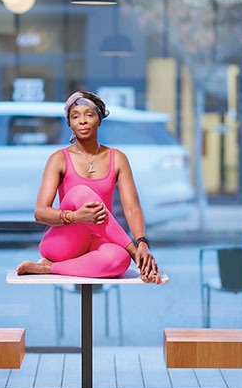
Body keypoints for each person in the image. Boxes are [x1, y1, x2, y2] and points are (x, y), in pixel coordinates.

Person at [16, 91, 161, 283]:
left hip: (99, 242)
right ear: (69, 123)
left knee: (119, 260)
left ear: (99, 120)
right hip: (64, 243)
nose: (82, 121)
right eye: (75, 116)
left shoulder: (117, 158)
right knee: (81, 193)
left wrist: (142, 242)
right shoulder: (59, 159)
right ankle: (135, 255)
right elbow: (40, 213)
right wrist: (76, 217)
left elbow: (132, 208)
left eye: (89, 115)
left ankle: (49, 267)